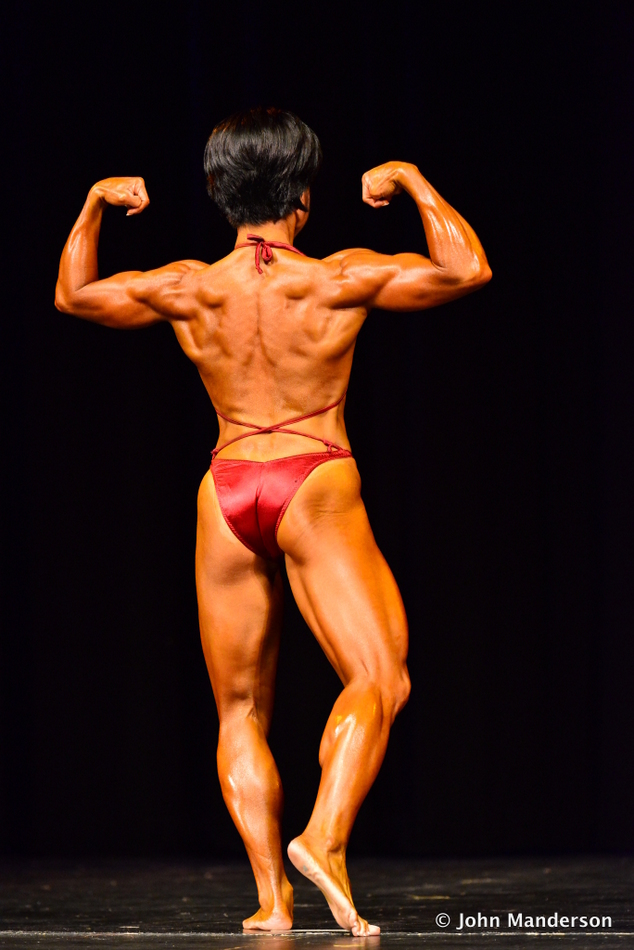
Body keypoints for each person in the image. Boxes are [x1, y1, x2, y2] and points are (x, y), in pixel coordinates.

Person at [55, 107, 491, 936]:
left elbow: (73, 295)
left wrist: (93, 205)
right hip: (312, 476)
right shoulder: (335, 278)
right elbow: (466, 269)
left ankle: (271, 899)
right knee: (380, 676)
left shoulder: (188, 286)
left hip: (225, 489)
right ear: (305, 196)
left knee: (239, 710)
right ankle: (323, 838)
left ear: (216, 190)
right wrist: (410, 181)